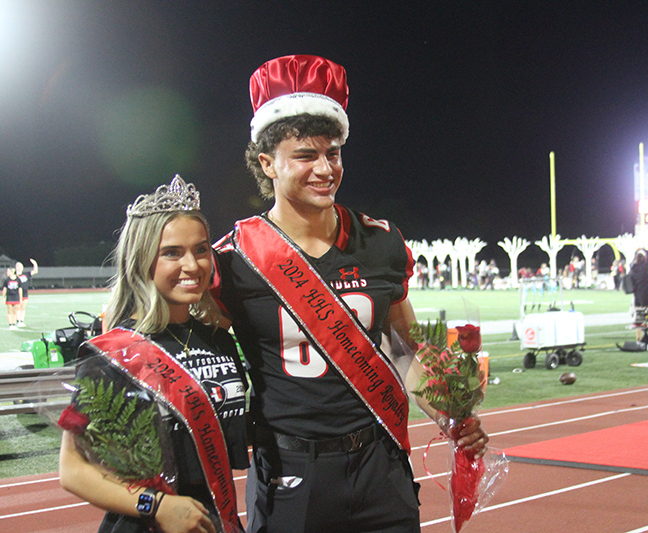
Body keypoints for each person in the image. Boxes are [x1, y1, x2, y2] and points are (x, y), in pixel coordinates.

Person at [212, 55, 488, 533]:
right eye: (305, 156)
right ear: (267, 164)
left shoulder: (381, 244)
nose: (325, 169)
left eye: (333, 153)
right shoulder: (236, 259)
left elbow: (406, 351)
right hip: (291, 473)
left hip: (379, 464)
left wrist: (451, 410)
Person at [59, 176, 249, 533]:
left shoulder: (219, 341)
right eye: (172, 252)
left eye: (201, 249)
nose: (192, 265)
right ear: (142, 260)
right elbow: (72, 470)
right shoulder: (113, 353)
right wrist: (156, 505)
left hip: (213, 519)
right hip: (144, 524)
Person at [629, 251, 648, 346]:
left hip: (637, 297)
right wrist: (645, 249)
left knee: (639, 319)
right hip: (647, 297)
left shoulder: (632, 269)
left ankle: (638, 338)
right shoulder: (646, 267)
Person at [15, 258, 38, 327]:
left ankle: (21, 321)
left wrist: (34, 263)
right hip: (17, 293)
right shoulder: (15, 275)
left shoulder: (26, 274)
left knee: (23, 307)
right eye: (18, 266)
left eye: (20, 266)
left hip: (25, 292)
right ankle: (17, 320)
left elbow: (35, 271)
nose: (19, 268)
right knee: (17, 307)